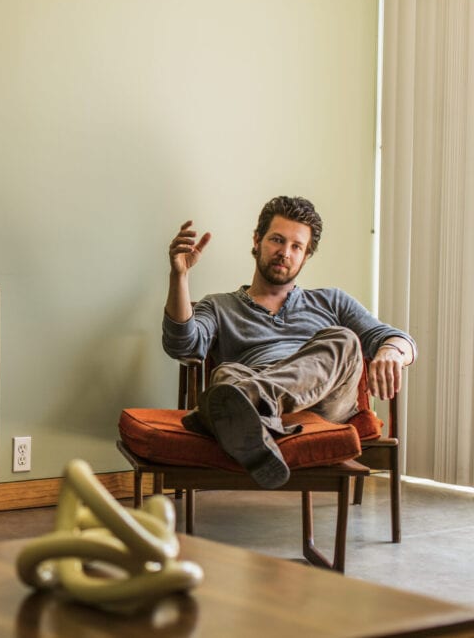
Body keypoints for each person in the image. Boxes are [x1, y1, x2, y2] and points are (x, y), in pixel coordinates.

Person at [163, 195, 416, 489]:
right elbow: (182, 347)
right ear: (257, 241)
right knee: (227, 374)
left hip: (323, 402)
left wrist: (392, 351)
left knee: (343, 340)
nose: (285, 252)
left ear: (306, 255)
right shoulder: (219, 306)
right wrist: (178, 276)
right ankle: (252, 417)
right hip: (252, 406)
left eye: (296, 246)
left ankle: (228, 408)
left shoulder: (331, 301)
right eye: (277, 240)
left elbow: (398, 338)